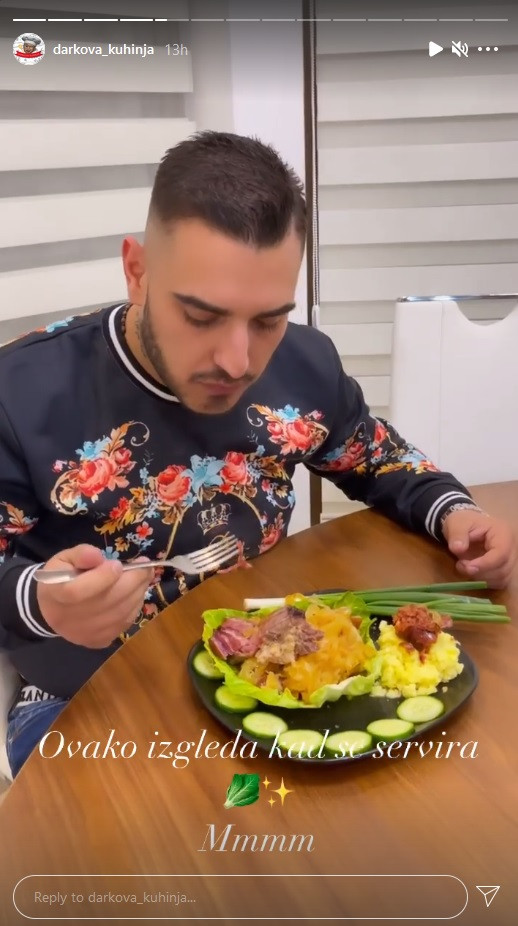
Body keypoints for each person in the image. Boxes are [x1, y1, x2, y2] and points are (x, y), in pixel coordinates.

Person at [0, 131, 515, 777]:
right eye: (201, 316)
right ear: (138, 271)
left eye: (268, 320)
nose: (238, 361)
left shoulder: (304, 363)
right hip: (88, 692)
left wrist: (457, 514)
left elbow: (377, 459)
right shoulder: (22, 393)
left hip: (273, 671)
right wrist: (41, 601)